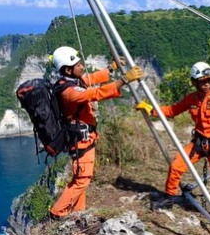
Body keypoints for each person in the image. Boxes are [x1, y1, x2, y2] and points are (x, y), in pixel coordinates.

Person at [49, 46, 145, 219]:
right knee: (82, 178)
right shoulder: (69, 92)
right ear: (68, 69)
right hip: (80, 141)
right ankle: (58, 213)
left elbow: (91, 79)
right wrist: (123, 80)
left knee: (81, 178)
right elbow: (96, 93)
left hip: (85, 137)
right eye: (78, 65)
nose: (82, 66)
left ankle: (78, 211)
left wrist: (110, 69)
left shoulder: (72, 81)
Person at [136, 62, 210, 215]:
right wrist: (151, 109)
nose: (206, 84)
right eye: (202, 81)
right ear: (195, 82)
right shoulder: (191, 99)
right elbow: (171, 111)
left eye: (208, 81)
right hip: (198, 142)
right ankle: (169, 198)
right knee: (176, 166)